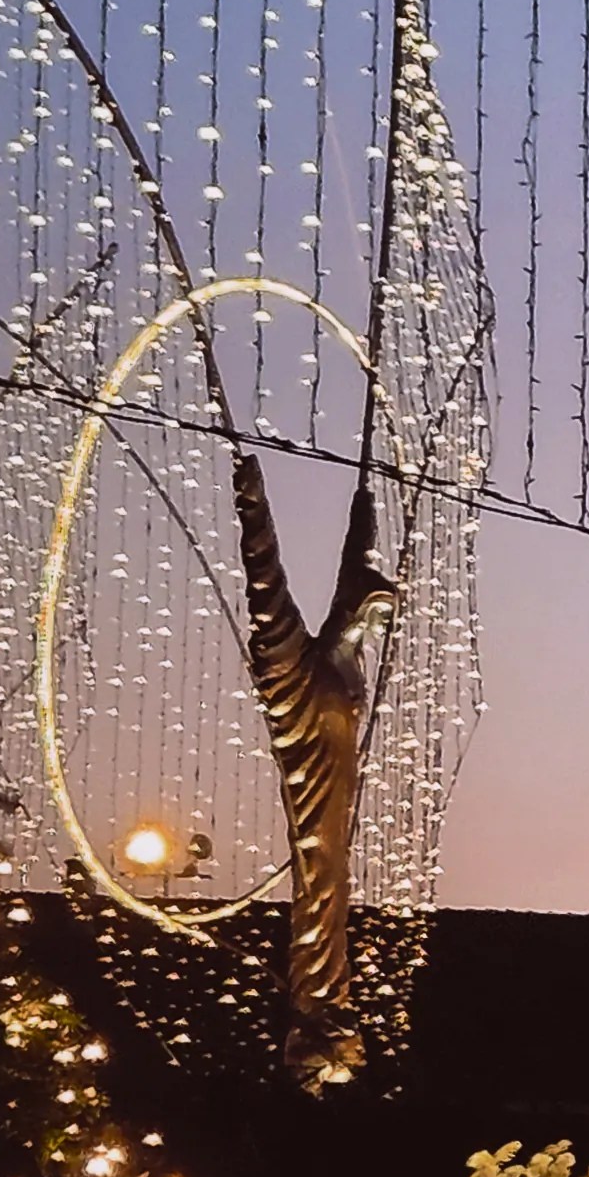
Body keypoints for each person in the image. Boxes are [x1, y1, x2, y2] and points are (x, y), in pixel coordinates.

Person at [231, 450, 397, 1089]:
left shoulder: (332, 661)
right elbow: (264, 581)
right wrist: (253, 504)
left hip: (327, 812)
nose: (374, 626)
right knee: (324, 882)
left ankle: (320, 1014)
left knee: (323, 883)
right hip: (319, 804)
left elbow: (344, 568)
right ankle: (323, 1010)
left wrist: (364, 502)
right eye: (375, 614)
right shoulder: (300, 673)